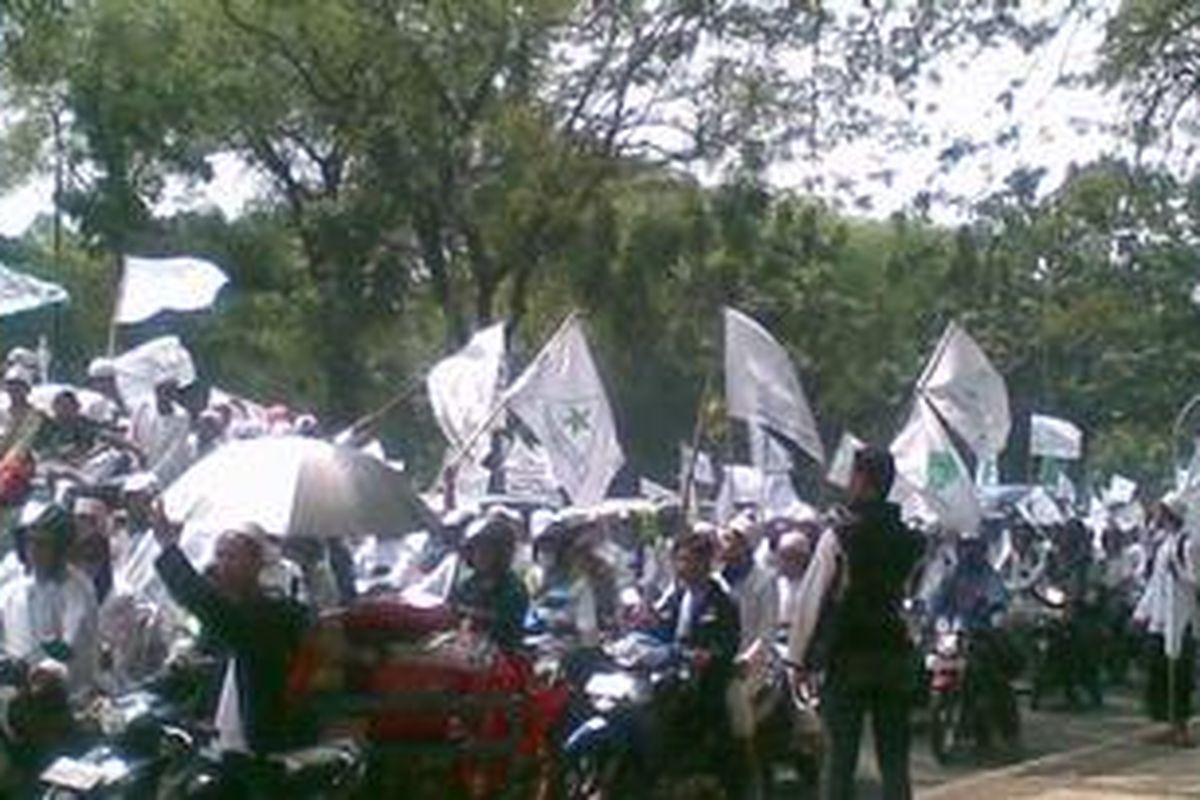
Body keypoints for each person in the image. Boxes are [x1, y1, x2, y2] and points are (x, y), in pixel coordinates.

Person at [787, 446, 922, 800]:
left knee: (839, 760)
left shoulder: (839, 536)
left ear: (864, 481)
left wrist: (797, 660)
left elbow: (812, 599)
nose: (848, 483)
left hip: (848, 659)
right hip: (894, 658)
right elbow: (913, 605)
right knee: (894, 761)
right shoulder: (910, 541)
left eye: (853, 475)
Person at [151, 508, 312, 764]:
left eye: (233, 557)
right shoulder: (225, 614)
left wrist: (169, 548)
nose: (223, 565)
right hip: (212, 739)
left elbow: (207, 605)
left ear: (258, 562)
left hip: (259, 746)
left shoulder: (273, 613)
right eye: (220, 555)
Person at [651, 525, 742, 795]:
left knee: (708, 718)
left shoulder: (723, 601)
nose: (681, 567)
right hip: (673, 672)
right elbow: (660, 629)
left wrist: (707, 657)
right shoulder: (677, 595)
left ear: (705, 562)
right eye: (678, 559)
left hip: (706, 681)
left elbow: (727, 647)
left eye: (687, 560)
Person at [929, 533, 1019, 754]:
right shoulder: (953, 574)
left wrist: (995, 611)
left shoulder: (988, 575)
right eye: (964, 547)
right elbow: (937, 599)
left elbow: (998, 597)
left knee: (993, 677)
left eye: (973, 547)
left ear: (981, 550)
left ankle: (1007, 729)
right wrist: (927, 612)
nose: (968, 552)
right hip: (953, 634)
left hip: (981, 634)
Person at [0, 502, 99, 696]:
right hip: (16, 697)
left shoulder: (78, 590)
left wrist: (43, 670)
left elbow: (70, 647)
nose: (33, 550)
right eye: (30, 541)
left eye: (43, 543)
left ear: (61, 547)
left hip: (67, 699)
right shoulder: (12, 589)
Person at [719, 513, 778, 797]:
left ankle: (749, 768)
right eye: (725, 537)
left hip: (749, 667)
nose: (725, 544)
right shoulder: (715, 578)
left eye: (732, 539)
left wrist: (746, 660)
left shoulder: (764, 581)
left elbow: (765, 634)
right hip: (715, 661)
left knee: (734, 697)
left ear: (747, 545)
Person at [1134, 492, 1199, 747]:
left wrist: (1180, 571)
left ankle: (1181, 726)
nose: (1157, 515)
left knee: (1180, 673)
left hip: (1183, 618)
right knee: (1159, 671)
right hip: (1161, 618)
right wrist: (1142, 612)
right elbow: (1154, 584)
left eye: (1161, 510)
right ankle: (1166, 724)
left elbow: (1196, 580)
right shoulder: (1165, 543)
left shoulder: (1189, 545)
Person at [450, 508, 530, 650]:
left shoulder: (513, 587)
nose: (480, 555)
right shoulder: (468, 584)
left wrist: (470, 614)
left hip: (501, 654)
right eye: (476, 549)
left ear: (501, 553)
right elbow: (451, 610)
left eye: (487, 550)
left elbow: (504, 625)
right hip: (463, 648)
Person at [129, 377, 194, 487]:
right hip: (137, 468)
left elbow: (175, 450)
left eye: (172, 391)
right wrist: (136, 461)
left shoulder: (182, 417)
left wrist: (154, 474)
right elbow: (132, 435)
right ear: (156, 391)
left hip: (165, 474)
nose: (168, 395)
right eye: (165, 390)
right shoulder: (143, 408)